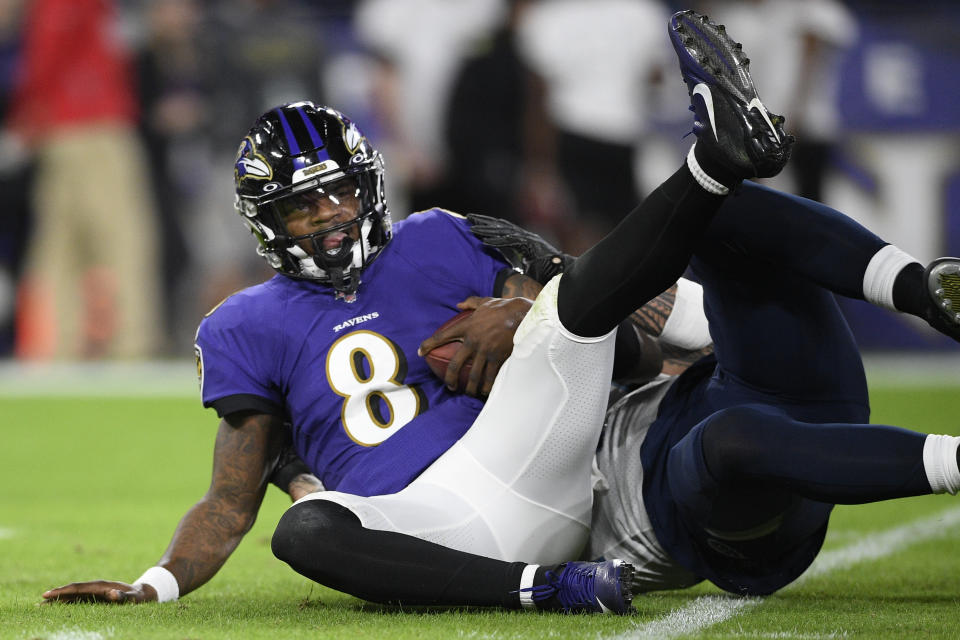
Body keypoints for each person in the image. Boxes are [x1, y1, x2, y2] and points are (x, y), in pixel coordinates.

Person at [40, 10, 958, 612]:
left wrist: (646, 337)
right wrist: (156, 584)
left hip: (558, 441)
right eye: (300, 207)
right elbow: (230, 500)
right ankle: (542, 587)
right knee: (306, 531)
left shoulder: (439, 236)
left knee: (575, 305)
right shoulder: (243, 325)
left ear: (370, 187)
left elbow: (605, 292)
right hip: (439, 513)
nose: (327, 217)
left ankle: (780, 206)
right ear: (266, 223)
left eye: (338, 195)